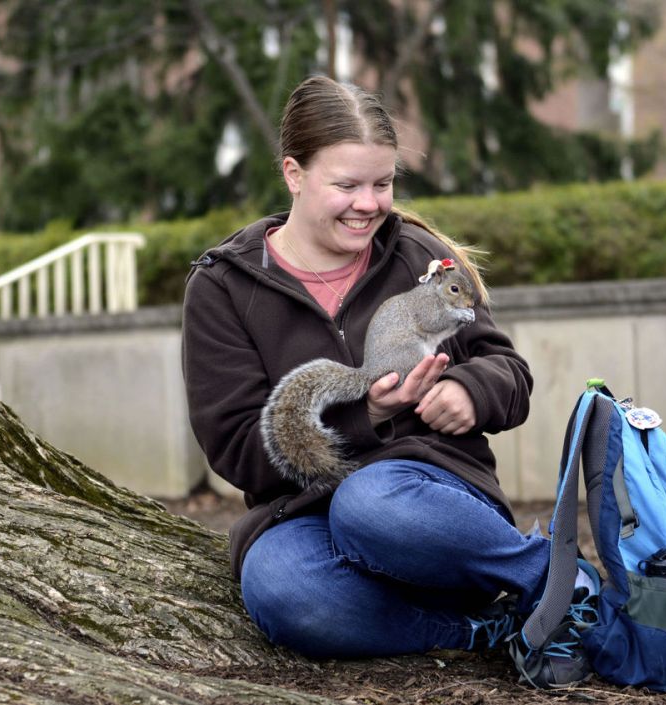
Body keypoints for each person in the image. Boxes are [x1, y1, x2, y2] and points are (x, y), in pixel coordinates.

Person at [181, 75, 599, 687]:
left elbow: (509, 374)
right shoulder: (224, 287)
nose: (369, 204)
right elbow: (238, 448)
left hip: (423, 490)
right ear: (294, 174)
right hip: (298, 509)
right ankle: (484, 630)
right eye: (346, 185)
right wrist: (367, 416)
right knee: (283, 588)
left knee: (369, 504)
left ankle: (558, 580)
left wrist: (470, 391)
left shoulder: (417, 257)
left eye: (383, 183)